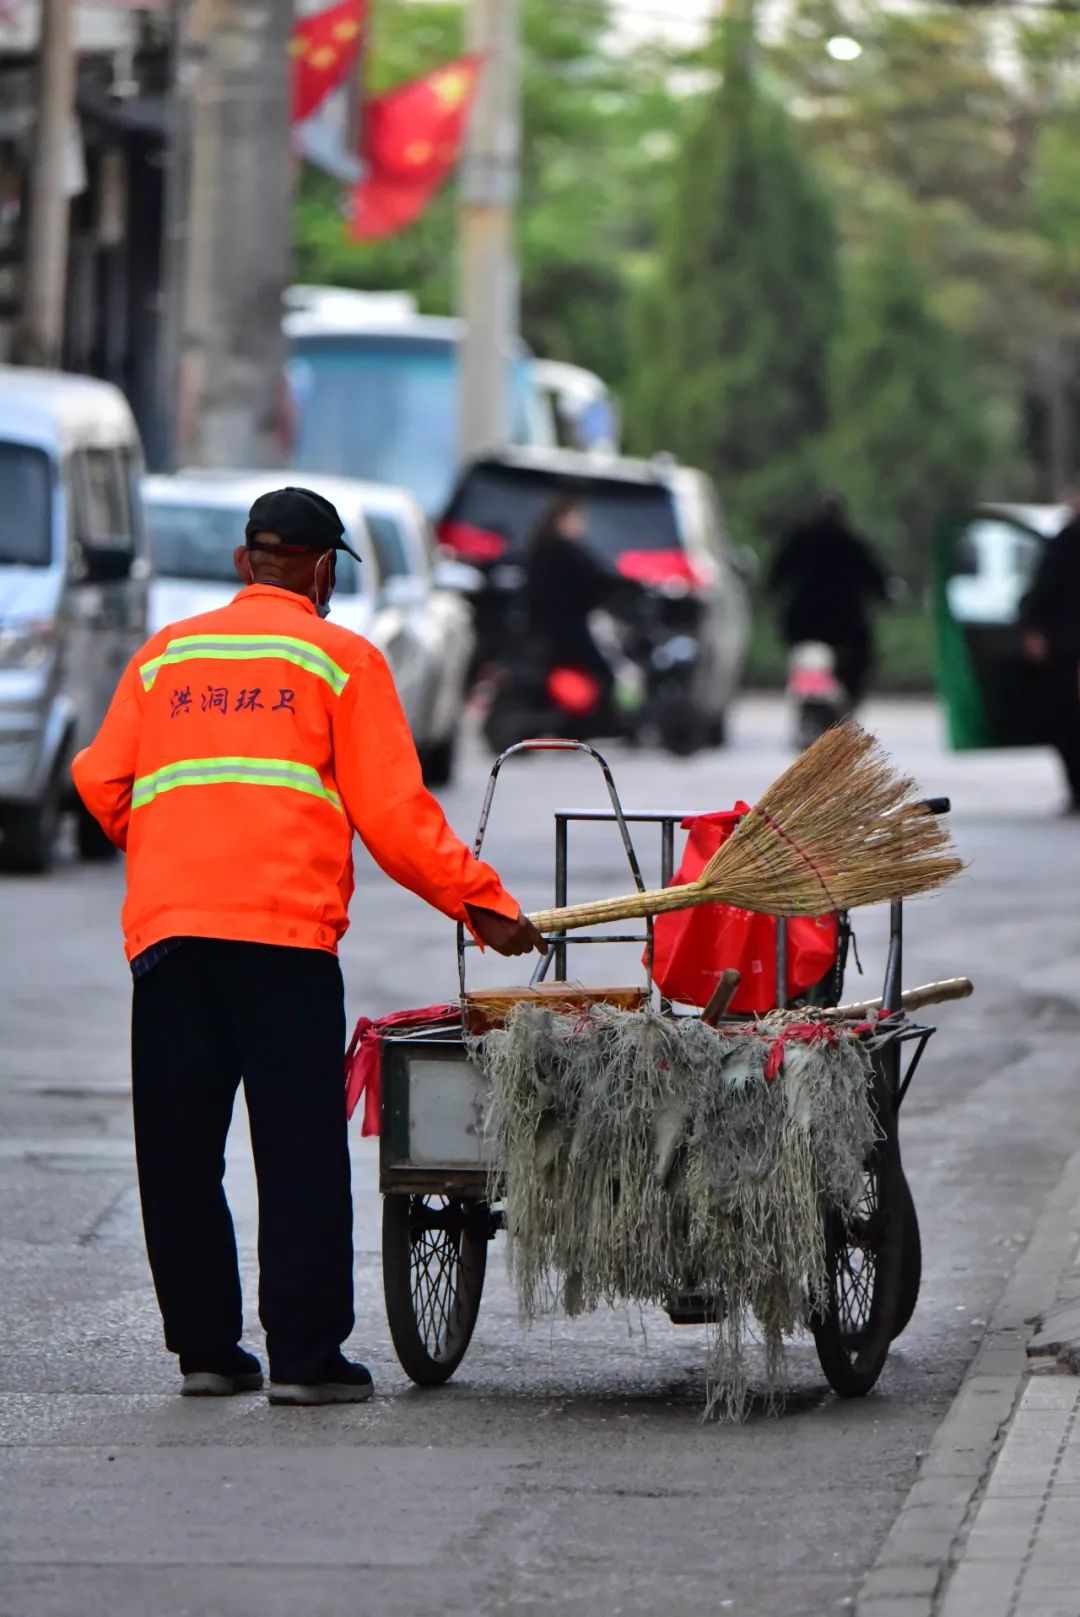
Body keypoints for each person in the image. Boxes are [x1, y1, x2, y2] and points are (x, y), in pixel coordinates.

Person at [72, 486, 546, 1406]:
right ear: (323, 569)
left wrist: (175, 851)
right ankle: (304, 1358)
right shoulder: (340, 660)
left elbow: (100, 779)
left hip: (170, 937)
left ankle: (207, 1350)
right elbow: (398, 821)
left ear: (249, 560)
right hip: (283, 942)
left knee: (177, 1149)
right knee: (296, 1150)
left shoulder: (166, 657)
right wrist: (482, 903)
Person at [769, 493, 890, 706]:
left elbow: (775, 579)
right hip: (842, 624)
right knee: (859, 661)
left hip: (804, 622)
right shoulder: (850, 544)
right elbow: (875, 579)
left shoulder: (799, 541)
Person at [524, 497, 626, 709]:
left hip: (544, 626)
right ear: (563, 519)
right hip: (563, 627)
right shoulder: (563, 549)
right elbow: (595, 579)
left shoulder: (540, 545)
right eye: (577, 519)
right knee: (603, 674)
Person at [1020, 493, 1080, 813]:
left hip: (1066, 647)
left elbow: (1042, 588)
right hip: (1067, 646)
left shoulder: (1068, 538)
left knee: (1068, 721)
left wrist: (1031, 626)